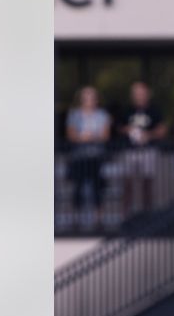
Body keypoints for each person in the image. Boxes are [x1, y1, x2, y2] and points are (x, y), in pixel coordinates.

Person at [117, 80, 168, 214]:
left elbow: (162, 129)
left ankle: (147, 215)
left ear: (147, 94)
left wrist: (148, 135)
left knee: (147, 184)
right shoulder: (126, 110)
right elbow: (118, 128)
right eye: (136, 93)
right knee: (127, 184)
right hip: (130, 151)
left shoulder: (154, 110)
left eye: (141, 93)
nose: (139, 95)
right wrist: (128, 130)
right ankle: (126, 215)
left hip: (148, 151)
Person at [65, 86, 111, 221]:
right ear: (81, 100)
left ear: (96, 100)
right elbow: (71, 135)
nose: (89, 100)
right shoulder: (74, 115)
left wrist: (91, 137)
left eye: (92, 97)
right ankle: (76, 219)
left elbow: (105, 135)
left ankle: (98, 219)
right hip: (79, 157)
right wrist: (82, 138)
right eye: (86, 98)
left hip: (96, 156)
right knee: (78, 186)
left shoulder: (102, 115)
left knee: (98, 187)